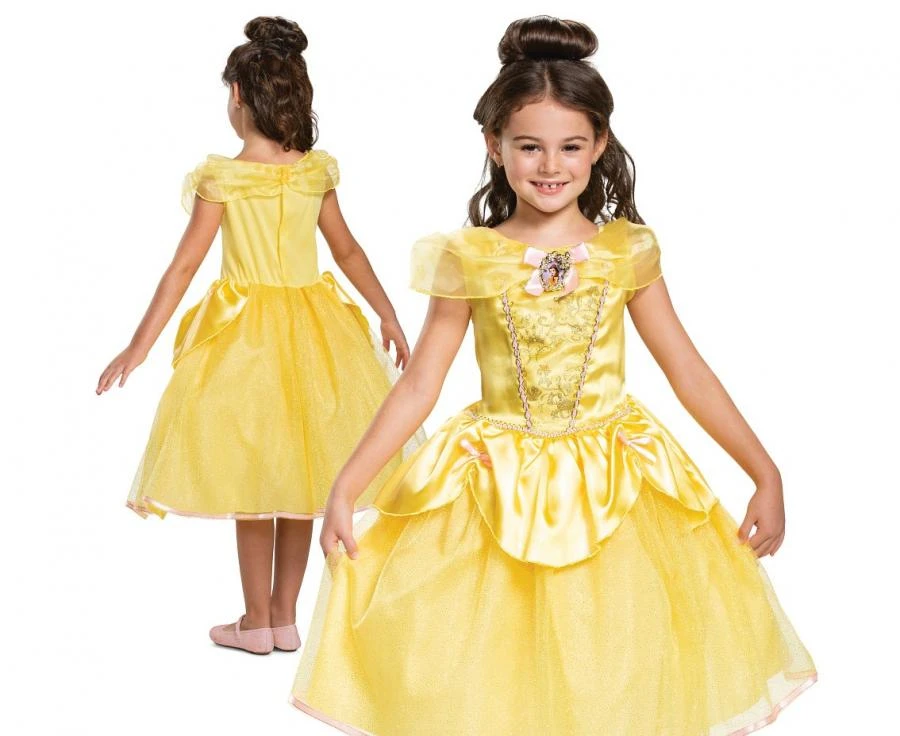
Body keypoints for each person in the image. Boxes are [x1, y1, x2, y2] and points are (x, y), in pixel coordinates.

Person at [291, 15, 816, 735]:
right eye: (529, 146)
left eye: (571, 146)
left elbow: (687, 369)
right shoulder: (472, 256)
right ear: (494, 144)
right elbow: (419, 384)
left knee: (612, 664)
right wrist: (347, 486)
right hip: (494, 482)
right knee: (491, 668)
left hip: (614, 482)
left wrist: (765, 471)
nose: (550, 165)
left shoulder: (626, 253)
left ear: (599, 145)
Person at [96, 16, 422, 656]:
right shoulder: (312, 172)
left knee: (252, 482)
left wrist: (139, 346)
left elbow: (183, 268)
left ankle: (254, 622)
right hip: (316, 331)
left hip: (244, 339)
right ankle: (284, 619)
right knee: (302, 479)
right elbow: (348, 252)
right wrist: (386, 312)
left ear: (238, 95)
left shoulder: (223, 177)